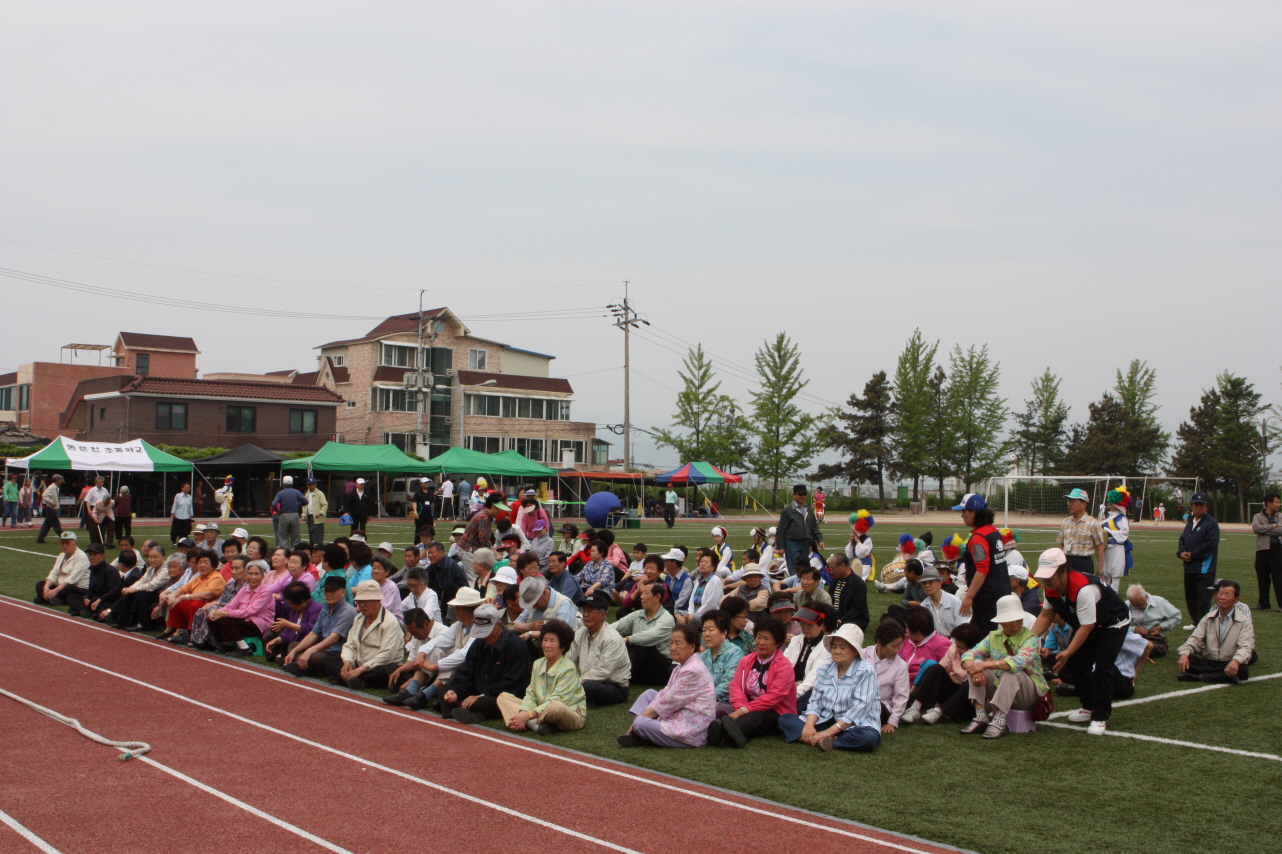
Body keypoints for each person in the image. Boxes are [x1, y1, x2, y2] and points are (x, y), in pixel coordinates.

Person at [1031, 547, 1130, 734]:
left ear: (1064, 571)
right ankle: (1088, 705)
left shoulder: (1084, 589)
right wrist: (1027, 639)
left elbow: (1087, 627)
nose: (1046, 579)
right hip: (1089, 623)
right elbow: (1046, 615)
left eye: (1050, 575)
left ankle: (1100, 716)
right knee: (1077, 664)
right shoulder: (1050, 588)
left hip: (1113, 624)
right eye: (1044, 575)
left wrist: (1068, 651)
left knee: (1102, 667)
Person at [778, 622, 881, 752]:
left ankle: (830, 740)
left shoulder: (866, 672)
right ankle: (820, 740)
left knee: (868, 738)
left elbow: (858, 710)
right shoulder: (824, 669)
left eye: (842, 648)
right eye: (834, 647)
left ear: (855, 651)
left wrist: (829, 732)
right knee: (785, 719)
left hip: (855, 724)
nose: (837, 651)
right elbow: (815, 702)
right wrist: (809, 726)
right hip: (825, 719)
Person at [960, 593, 1050, 738]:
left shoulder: (1031, 638)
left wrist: (985, 666)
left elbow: (1018, 662)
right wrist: (975, 669)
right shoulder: (993, 636)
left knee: (1011, 670)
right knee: (975, 664)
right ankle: (981, 714)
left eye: (1018, 620)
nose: (1015, 624)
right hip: (1002, 686)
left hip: (1029, 695)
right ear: (1002, 621)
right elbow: (968, 655)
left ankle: (1000, 720)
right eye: (1009, 620)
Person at [618, 624, 717, 748]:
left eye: (678, 643)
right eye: (671, 643)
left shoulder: (693, 670)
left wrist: (640, 718)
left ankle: (643, 732)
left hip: (692, 729)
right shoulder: (683, 665)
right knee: (649, 694)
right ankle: (646, 733)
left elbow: (669, 701)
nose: (673, 648)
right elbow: (666, 693)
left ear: (692, 647)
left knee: (641, 723)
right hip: (680, 713)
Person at [707, 617, 796, 748]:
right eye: (759, 637)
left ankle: (722, 731)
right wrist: (740, 709)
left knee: (758, 717)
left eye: (767, 639)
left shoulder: (784, 666)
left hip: (776, 711)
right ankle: (727, 732)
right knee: (722, 710)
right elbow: (736, 687)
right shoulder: (746, 660)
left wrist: (743, 711)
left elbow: (774, 697)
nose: (761, 642)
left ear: (777, 643)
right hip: (746, 707)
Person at [440, 603, 533, 724]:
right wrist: (455, 691)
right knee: (444, 691)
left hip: (498, 696)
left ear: (499, 625)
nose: (485, 637)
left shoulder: (516, 645)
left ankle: (471, 712)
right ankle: (468, 710)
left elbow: (512, 684)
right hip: (477, 692)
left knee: (487, 702)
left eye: (487, 632)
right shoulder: (479, 643)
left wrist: (482, 695)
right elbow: (466, 672)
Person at [497, 619, 586, 735]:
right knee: (503, 697)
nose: (547, 645)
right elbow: (531, 693)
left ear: (562, 646)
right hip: (540, 710)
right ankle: (535, 725)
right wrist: (523, 712)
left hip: (569, 713)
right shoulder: (538, 663)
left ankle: (531, 722)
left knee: (556, 707)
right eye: (545, 640)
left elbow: (558, 700)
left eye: (552, 641)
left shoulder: (569, 668)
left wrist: (527, 715)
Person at [901, 622, 985, 725]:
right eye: (957, 645)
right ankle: (915, 707)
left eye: (962, 648)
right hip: (953, 692)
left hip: (969, 701)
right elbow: (942, 669)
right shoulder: (953, 649)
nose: (958, 650)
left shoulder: (983, 655)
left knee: (970, 682)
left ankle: (940, 712)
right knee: (935, 668)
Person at [1178, 579, 1256, 683]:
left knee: (1242, 669)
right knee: (1189, 660)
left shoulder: (1244, 621)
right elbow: (1195, 638)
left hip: (1229, 661)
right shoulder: (1208, 617)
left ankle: (1199, 677)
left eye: (1227, 595)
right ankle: (1223, 676)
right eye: (1220, 594)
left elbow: (1246, 646)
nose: (1222, 597)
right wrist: (1184, 654)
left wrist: (1236, 661)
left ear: (1236, 599)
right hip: (1209, 661)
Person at [953, 493, 1009, 632]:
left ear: (974, 512)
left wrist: (969, 597)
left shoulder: (978, 537)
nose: (962, 515)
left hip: (987, 597)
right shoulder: (993, 531)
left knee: (983, 633)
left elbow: (982, 569)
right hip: (1001, 591)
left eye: (964, 511)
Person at [285, 575, 357, 679]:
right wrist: (295, 651)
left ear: (343, 592)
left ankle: (306, 668)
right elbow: (313, 634)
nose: (328, 594)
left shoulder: (348, 611)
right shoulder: (325, 609)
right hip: (323, 650)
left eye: (332, 591)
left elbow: (333, 639)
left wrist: (309, 651)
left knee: (317, 657)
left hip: (336, 654)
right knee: (293, 646)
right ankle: (301, 664)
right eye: (326, 590)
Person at [567, 591, 631, 706]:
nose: (585, 615)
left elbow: (603, 671)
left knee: (588, 687)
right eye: (584, 610)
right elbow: (569, 659)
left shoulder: (612, 638)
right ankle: (583, 697)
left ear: (602, 615)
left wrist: (576, 682)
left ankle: (580, 696)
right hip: (588, 681)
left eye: (590, 611)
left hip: (614, 686)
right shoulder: (580, 633)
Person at [615, 582, 677, 685]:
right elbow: (616, 626)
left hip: (660, 666)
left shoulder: (667, 619)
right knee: (614, 639)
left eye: (646, 593)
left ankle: (623, 672)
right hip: (639, 662)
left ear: (657, 597)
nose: (641, 597)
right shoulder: (637, 615)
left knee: (644, 646)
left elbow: (651, 636)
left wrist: (627, 639)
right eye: (641, 593)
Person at [207, 559, 274, 655]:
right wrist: (217, 611)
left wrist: (225, 613)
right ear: (246, 575)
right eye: (250, 574)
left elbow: (250, 611)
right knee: (213, 617)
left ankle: (244, 648)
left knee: (226, 619)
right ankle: (226, 644)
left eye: (256, 574)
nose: (253, 577)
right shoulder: (244, 589)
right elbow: (232, 605)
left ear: (263, 576)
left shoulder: (266, 591)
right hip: (243, 620)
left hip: (257, 624)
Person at [161, 549, 226, 645]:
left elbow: (207, 595)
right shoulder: (198, 578)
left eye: (205, 562)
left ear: (213, 565)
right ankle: (181, 632)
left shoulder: (216, 577)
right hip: (196, 608)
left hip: (210, 608)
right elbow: (182, 589)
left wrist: (184, 597)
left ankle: (194, 634)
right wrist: (172, 595)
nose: (202, 565)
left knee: (196, 603)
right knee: (176, 602)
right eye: (200, 562)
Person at [1177, 492, 1220, 628]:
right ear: (1192, 506)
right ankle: (1196, 622)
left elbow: (1210, 545)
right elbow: (1183, 539)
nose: (1198, 507)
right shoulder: (1190, 522)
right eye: (1196, 504)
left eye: (1201, 505)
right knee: (1191, 595)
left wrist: (1193, 555)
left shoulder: (1211, 523)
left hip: (1204, 568)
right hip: (1189, 567)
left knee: (1203, 597)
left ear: (1206, 507)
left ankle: (1203, 624)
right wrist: (1181, 553)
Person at [190, 554, 250, 649]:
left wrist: (214, 604)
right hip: (224, 606)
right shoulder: (231, 583)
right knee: (201, 610)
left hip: (237, 612)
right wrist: (212, 604)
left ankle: (212, 642)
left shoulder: (248, 586)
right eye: (232, 568)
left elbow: (236, 605)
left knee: (213, 610)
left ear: (246, 570)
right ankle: (197, 639)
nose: (233, 571)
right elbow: (222, 598)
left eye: (237, 568)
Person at [861, 618, 909, 731]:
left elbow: (901, 696)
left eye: (899, 646)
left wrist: (892, 722)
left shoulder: (901, 665)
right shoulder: (862, 654)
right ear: (880, 643)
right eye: (894, 646)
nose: (897, 650)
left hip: (881, 707)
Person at [784, 604, 835, 709]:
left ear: (822, 626)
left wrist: (793, 694)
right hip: (787, 685)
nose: (805, 627)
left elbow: (813, 677)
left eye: (810, 625)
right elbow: (783, 664)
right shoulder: (796, 640)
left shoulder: (826, 647)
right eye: (802, 624)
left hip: (808, 690)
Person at [264, 580, 323, 663]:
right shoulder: (295, 610)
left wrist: (288, 624)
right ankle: (281, 657)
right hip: (292, 642)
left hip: (306, 643)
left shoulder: (317, 609)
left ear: (302, 600)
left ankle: (283, 657)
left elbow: (311, 630)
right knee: (270, 638)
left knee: (294, 645)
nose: (290, 606)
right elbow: (288, 633)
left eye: (292, 603)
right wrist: (277, 640)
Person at [700, 610, 744, 716]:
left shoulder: (735, 653)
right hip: (702, 700)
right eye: (704, 630)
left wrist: (701, 699)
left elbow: (727, 685)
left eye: (710, 630)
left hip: (725, 703)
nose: (706, 634)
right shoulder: (703, 656)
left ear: (724, 632)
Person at [457, 493, 508, 585]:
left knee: (478, 576)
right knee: (474, 578)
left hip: (471, 549)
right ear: (493, 506)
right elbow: (484, 540)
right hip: (468, 550)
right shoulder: (484, 518)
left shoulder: (485, 516)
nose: (499, 511)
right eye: (498, 508)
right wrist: (495, 554)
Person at [1057, 487, 1107, 574]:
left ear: (1084, 504)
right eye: (1069, 501)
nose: (1070, 504)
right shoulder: (1065, 522)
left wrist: (1100, 572)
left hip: (1084, 564)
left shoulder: (1093, 524)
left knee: (1083, 587)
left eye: (1073, 502)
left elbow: (1100, 548)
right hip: (1066, 562)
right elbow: (1061, 546)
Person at [776, 484, 824, 573]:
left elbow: (814, 527)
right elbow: (781, 529)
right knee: (795, 569)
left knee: (805, 569)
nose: (803, 496)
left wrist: (819, 540)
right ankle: (796, 585)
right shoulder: (788, 510)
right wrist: (781, 547)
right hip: (792, 543)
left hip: (806, 543)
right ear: (793, 495)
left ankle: (802, 586)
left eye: (805, 494)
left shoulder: (808, 509)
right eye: (800, 494)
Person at [34, 531, 90, 607]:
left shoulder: (81, 557)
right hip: (61, 587)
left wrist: (55, 590)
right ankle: (52, 598)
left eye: (67, 543)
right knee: (40, 584)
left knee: (69, 587)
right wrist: (46, 587)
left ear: (75, 544)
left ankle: (53, 599)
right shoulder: (62, 555)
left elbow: (72, 579)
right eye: (62, 543)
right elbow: (54, 573)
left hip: (77, 588)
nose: (65, 545)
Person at [1125, 584, 1181, 658]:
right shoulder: (1125, 605)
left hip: (1153, 637)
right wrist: (1134, 628)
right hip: (1132, 636)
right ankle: (1140, 649)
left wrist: (1160, 627)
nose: (1139, 608)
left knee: (1159, 648)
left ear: (1146, 597)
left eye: (1141, 605)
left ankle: (1136, 650)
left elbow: (1176, 616)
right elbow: (1118, 625)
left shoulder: (1159, 602)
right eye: (1135, 606)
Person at [898, 605, 951, 684]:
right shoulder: (906, 639)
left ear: (917, 632)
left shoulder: (941, 644)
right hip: (900, 681)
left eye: (907, 628)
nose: (905, 630)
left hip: (923, 686)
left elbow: (947, 672)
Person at [516, 576, 578, 642]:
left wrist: (531, 633)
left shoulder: (564, 603)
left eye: (535, 603)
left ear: (545, 593)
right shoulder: (533, 605)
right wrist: (530, 626)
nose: (533, 607)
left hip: (560, 645)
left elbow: (560, 632)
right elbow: (517, 625)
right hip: (537, 643)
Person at [1250, 493, 1282, 612]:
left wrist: (1266, 528)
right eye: (1277, 502)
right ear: (1268, 503)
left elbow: (1281, 530)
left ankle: (1281, 604)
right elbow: (1256, 529)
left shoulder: (1281, 516)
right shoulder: (1257, 516)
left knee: (1278, 577)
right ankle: (1264, 603)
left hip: (1277, 549)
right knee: (1262, 576)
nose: (1279, 504)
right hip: (1262, 549)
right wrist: (1273, 526)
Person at [679, 548, 725, 626]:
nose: (703, 564)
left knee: (684, 619)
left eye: (706, 562)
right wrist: (690, 613)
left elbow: (710, 605)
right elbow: (691, 601)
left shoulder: (715, 581)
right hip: (694, 614)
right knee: (674, 612)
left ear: (713, 566)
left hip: (708, 616)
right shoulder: (698, 580)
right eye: (701, 561)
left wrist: (693, 615)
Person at [825, 553, 869, 630]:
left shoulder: (858, 584)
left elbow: (857, 609)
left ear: (842, 566)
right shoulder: (835, 581)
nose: (831, 572)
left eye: (832, 568)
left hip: (853, 620)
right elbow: (830, 600)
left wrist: (841, 620)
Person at [1100, 487, 1132, 592]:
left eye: (1111, 504)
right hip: (1106, 547)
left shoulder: (1121, 518)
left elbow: (1124, 534)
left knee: (1115, 572)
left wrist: (1109, 531)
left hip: (1116, 547)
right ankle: (1106, 593)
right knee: (1105, 572)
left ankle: (1113, 594)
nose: (1109, 505)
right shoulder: (1110, 516)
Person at [918, 566, 964, 637]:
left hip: (955, 641)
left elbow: (961, 628)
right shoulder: (923, 606)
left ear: (939, 583)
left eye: (930, 582)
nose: (927, 585)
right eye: (924, 583)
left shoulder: (955, 602)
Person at [35, 474, 64, 543]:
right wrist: (52, 502)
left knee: (47, 525)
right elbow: (44, 495)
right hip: (51, 508)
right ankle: (63, 537)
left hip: (51, 508)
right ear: (57, 480)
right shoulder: (52, 487)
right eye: (60, 480)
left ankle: (40, 538)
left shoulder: (55, 487)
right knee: (56, 524)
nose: (62, 481)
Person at [305, 478, 328, 546]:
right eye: (310, 484)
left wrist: (320, 512)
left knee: (317, 538)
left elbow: (325, 504)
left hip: (317, 518)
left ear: (315, 484)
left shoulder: (320, 494)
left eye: (313, 484)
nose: (312, 486)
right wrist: (304, 514)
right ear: (307, 485)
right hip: (310, 517)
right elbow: (304, 506)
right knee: (311, 537)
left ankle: (318, 552)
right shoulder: (307, 494)